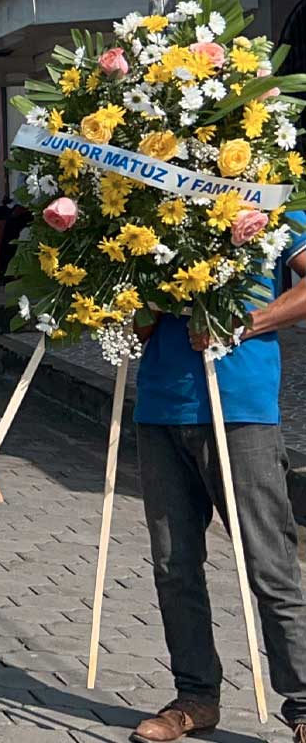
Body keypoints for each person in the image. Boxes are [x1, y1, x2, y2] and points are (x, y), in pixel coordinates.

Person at [127, 218, 306, 743]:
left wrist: (245, 322)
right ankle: (195, 697)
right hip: (162, 406)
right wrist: (150, 302)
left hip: (241, 407)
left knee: (268, 562)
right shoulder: (149, 204)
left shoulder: (269, 200)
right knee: (173, 564)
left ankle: (302, 701)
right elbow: (137, 325)